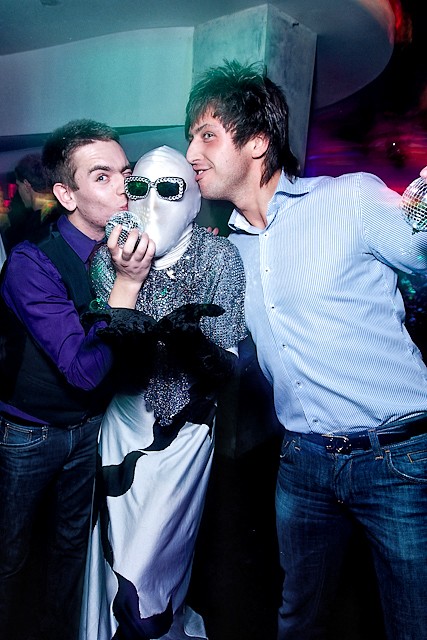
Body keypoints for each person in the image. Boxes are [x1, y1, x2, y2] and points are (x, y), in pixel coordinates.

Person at [185, 60, 427, 640]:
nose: (192, 152)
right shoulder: (228, 250)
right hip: (302, 462)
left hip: (396, 459)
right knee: (300, 616)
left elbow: (419, 251)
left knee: (412, 619)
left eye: (208, 135)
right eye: (191, 136)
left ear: (258, 142)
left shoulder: (350, 199)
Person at [79, 145, 247, 640]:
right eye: (139, 187)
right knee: (117, 554)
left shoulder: (220, 257)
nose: (151, 201)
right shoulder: (105, 259)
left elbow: (227, 362)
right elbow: (106, 358)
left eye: (170, 189)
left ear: (194, 202)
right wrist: (126, 293)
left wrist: (197, 346)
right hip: (125, 425)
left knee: (156, 559)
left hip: (187, 434)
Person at [0, 119, 155, 640]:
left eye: (126, 174)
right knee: (11, 556)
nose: (125, 189)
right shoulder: (32, 263)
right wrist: (127, 286)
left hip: (90, 428)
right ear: (66, 195)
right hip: (29, 434)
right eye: (102, 176)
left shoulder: (130, 247)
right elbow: (84, 371)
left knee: (71, 550)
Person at [3, 153, 62, 253]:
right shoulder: (64, 212)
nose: (18, 191)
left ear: (26, 185)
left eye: (18, 186)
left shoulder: (35, 228)